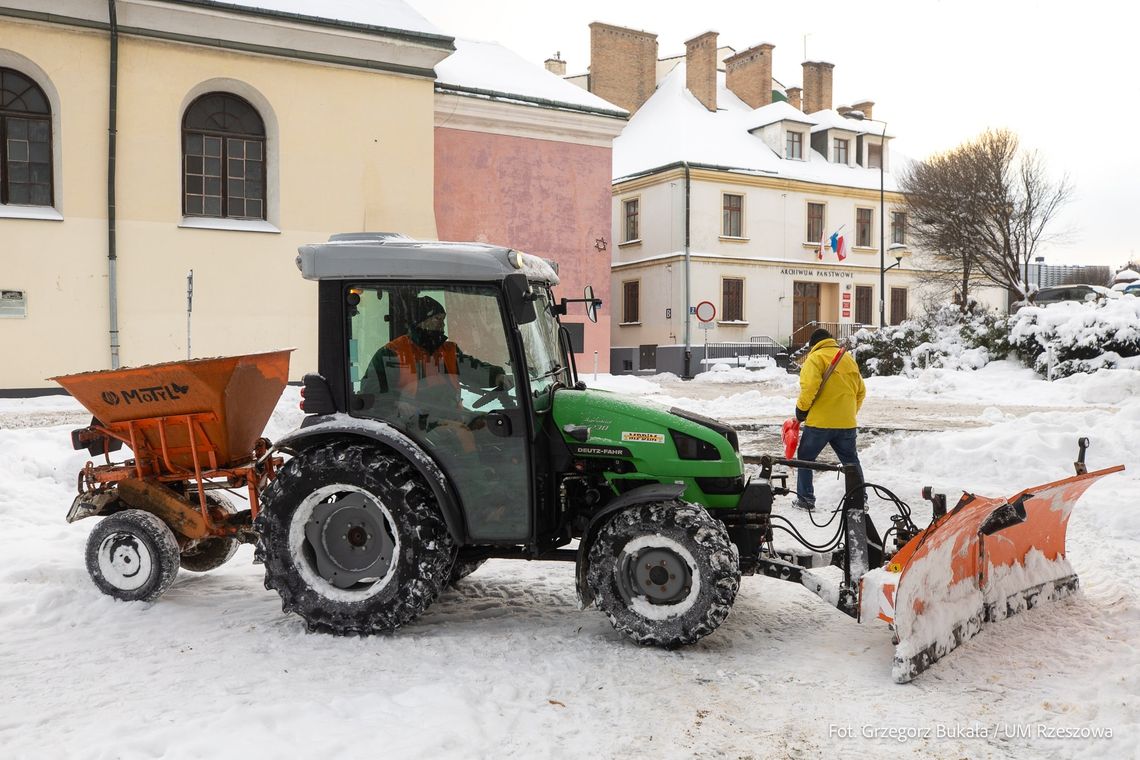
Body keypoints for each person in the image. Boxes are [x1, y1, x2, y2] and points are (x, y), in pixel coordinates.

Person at [359, 295, 507, 441]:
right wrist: (397, 403)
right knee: (463, 437)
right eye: (438, 319)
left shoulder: (448, 350)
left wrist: (495, 376)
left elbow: (471, 368)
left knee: (494, 426)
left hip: (450, 413)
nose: (442, 324)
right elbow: (372, 392)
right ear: (421, 321)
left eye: (443, 319)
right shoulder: (392, 353)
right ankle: (474, 465)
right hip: (413, 423)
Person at [792, 328, 866, 511]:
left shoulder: (815, 359)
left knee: (805, 458)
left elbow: (809, 388)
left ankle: (805, 499)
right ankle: (859, 498)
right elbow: (861, 391)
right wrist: (849, 413)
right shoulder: (848, 359)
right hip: (847, 423)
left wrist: (801, 411)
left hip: (820, 423)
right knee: (851, 461)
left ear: (813, 345)